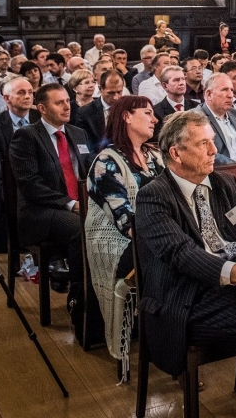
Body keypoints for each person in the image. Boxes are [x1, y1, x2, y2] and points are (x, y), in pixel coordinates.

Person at [134, 110, 236, 417]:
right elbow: (181, 254)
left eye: (213, 141)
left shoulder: (225, 185)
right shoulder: (153, 197)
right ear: (176, 153)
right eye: (203, 144)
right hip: (187, 300)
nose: (214, 151)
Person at [86, 96, 164, 368]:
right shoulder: (106, 163)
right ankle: (170, 344)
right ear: (126, 117)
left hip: (153, 236)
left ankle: (179, 335)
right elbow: (126, 222)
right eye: (148, 113)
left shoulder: (155, 155)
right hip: (119, 243)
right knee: (173, 260)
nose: (155, 119)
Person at [8, 84, 91, 307]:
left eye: (67, 101)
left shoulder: (77, 133)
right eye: (59, 102)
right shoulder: (26, 136)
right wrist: (71, 204)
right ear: (42, 108)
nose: (67, 107)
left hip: (76, 205)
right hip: (39, 212)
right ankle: (80, 299)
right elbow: (30, 185)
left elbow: (88, 172)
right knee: (80, 227)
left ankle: (102, 289)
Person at [0, 75, 35, 252]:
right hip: (8, 180)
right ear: (6, 98)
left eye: (30, 92)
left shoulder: (40, 118)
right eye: (21, 93)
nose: (28, 96)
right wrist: (25, 172)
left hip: (40, 178)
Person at [197, 72, 236, 165]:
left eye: (231, 90)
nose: (231, 95)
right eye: (225, 90)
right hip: (224, 172)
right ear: (209, 94)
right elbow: (207, 153)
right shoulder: (196, 119)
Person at [75, 68, 125, 152]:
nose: (116, 97)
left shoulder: (130, 109)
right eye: (111, 93)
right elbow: (84, 148)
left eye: (119, 92)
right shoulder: (85, 113)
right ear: (100, 89)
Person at [151, 64, 199, 139]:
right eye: (176, 80)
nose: (181, 83)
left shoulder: (197, 107)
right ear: (164, 86)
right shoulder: (155, 111)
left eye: (183, 79)